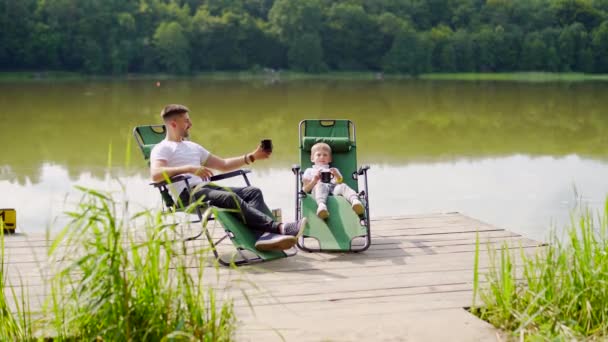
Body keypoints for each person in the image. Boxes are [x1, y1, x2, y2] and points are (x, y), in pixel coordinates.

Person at [150, 104, 306, 251]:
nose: (190, 124)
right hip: (187, 195)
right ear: (174, 124)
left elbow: (223, 164)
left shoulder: (193, 146)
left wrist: (252, 156)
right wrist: (190, 169)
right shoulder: (162, 148)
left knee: (253, 192)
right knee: (229, 197)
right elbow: (156, 174)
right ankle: (280, 228)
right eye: (186, 121)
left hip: (206, 189)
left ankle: (263, 237)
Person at [302, 142, 365, 219]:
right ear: (312, 158)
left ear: (330, 158)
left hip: (334, 190)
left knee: (343, 186)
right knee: (320, 185)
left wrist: (336, 175)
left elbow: (340, 181)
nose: (322, 157)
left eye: (325, 155)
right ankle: (322, 206)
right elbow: (304, 190)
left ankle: (355, 201)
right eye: (318, 155)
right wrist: (314, 180)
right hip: (319, 190)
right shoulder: (309, 171)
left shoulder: (333, 170)